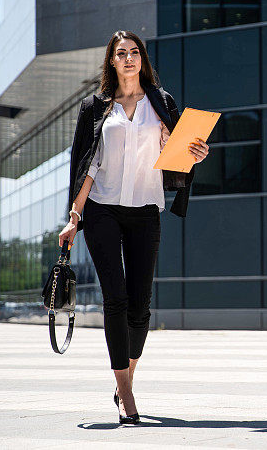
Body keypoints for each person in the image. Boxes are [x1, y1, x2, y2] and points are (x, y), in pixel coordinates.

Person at [58, 30, 209, 424]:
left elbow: (175, 158)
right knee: (116, 300)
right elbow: (85, 163)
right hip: (102, 209)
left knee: (140, 306)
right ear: (111, 60)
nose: (128, 58)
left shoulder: (162, 103)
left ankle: (126, 379)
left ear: (143, 59)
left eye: (134, 52)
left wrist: (196, 153)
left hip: (145, 208)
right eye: (120, 53)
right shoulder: (95, 107)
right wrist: (75, 216)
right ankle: (126, 393)